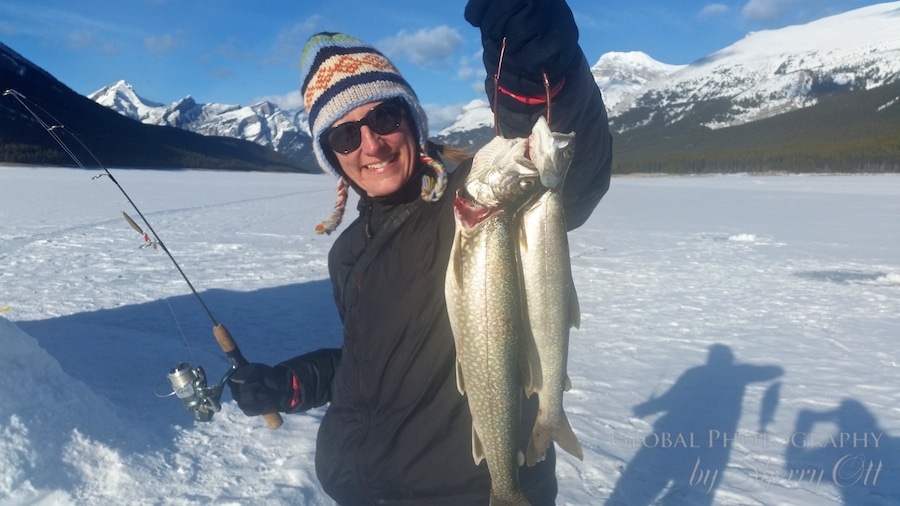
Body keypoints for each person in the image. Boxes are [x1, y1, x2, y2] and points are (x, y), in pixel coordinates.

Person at [228, 1, 612, 504]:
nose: (372, 144)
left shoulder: (470, 200)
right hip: (362, 491)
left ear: (412, 120)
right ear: (333, 158)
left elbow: (557, 173)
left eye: (385, 117)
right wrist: (289, 384)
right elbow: (371, 361)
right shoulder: (346, 253)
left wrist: (537, 64)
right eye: (345, 135)